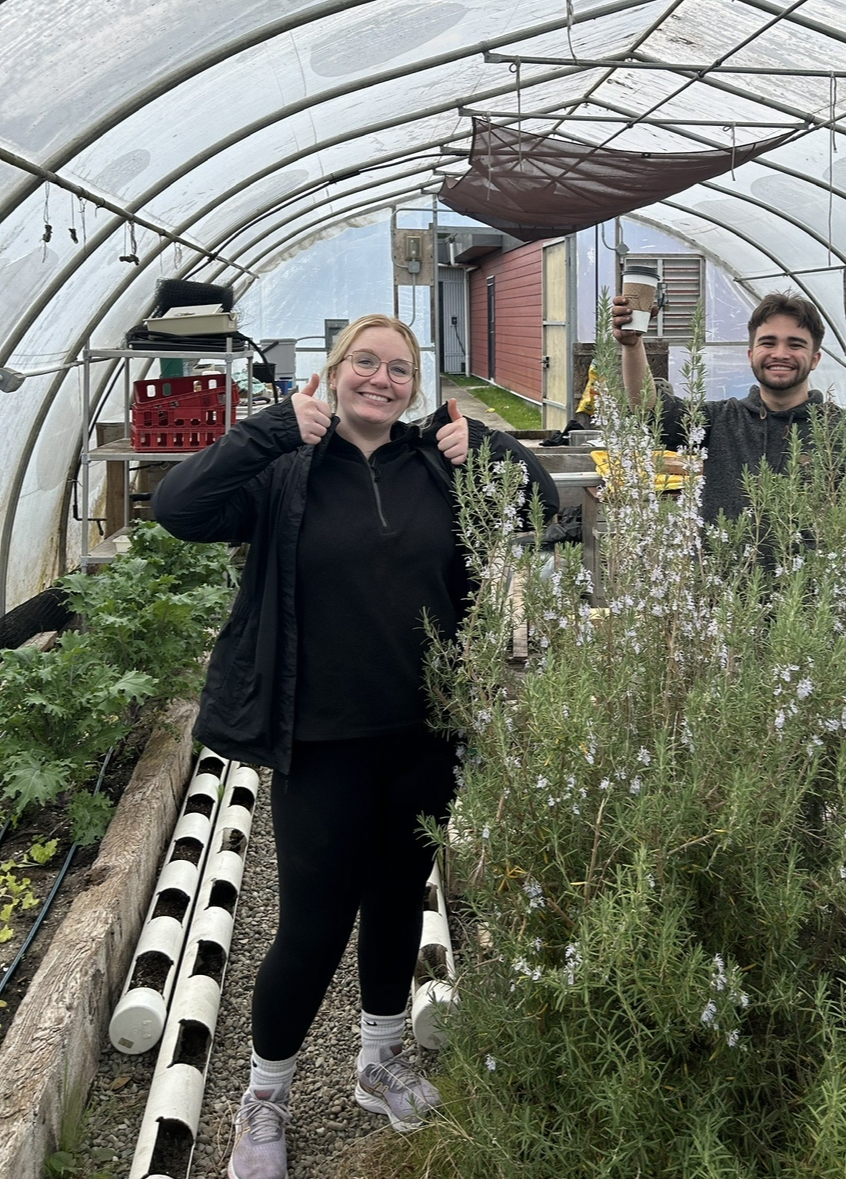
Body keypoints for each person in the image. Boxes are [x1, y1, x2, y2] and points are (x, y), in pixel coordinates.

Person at [152, 314, 558, 1179]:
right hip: (320, 737)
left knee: (398, 899)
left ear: (415, 385)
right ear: (334, 374)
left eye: (398, 369)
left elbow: (544, 507)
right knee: (310, 923)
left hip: (423, 731)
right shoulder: (285, 469)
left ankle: (378, 1061)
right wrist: (265, 429)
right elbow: (176, 509)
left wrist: (482, 446)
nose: (381, 379)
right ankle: (263, 1098)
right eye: (363, 364)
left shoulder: (433, 467)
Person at [612, 291, 846, 524]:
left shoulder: (844, 437)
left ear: (815, 359)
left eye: (795, 345)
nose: (780, 353)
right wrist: (632, 345)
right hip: (722, 573)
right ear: (751, 355)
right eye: (768, 343)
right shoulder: (721, 420)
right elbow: (650, 411)